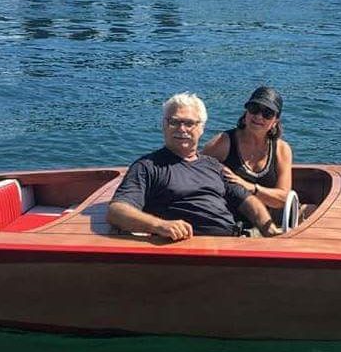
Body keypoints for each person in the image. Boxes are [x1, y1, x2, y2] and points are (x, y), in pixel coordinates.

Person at [107, 92, 281, 241]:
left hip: (231, 243)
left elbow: (248, 201)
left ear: (202, 128)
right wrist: (159, 226)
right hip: (187, 251)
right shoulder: (147, 167)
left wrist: (269, 229)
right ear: (163, 125)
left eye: (189, 123)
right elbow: (117, 210)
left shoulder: (213, 166)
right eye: (174, 122)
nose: (182, 129)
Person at [202, 86, 293, 222]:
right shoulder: (223, 142)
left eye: (267, 113)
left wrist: (250, 187)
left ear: (275, 122)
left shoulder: (282, 150)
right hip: (228, 222)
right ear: (246, 113)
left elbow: (283, 199)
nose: (258, 116)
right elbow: (194, 170)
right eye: (254, 109)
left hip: (268, 223)